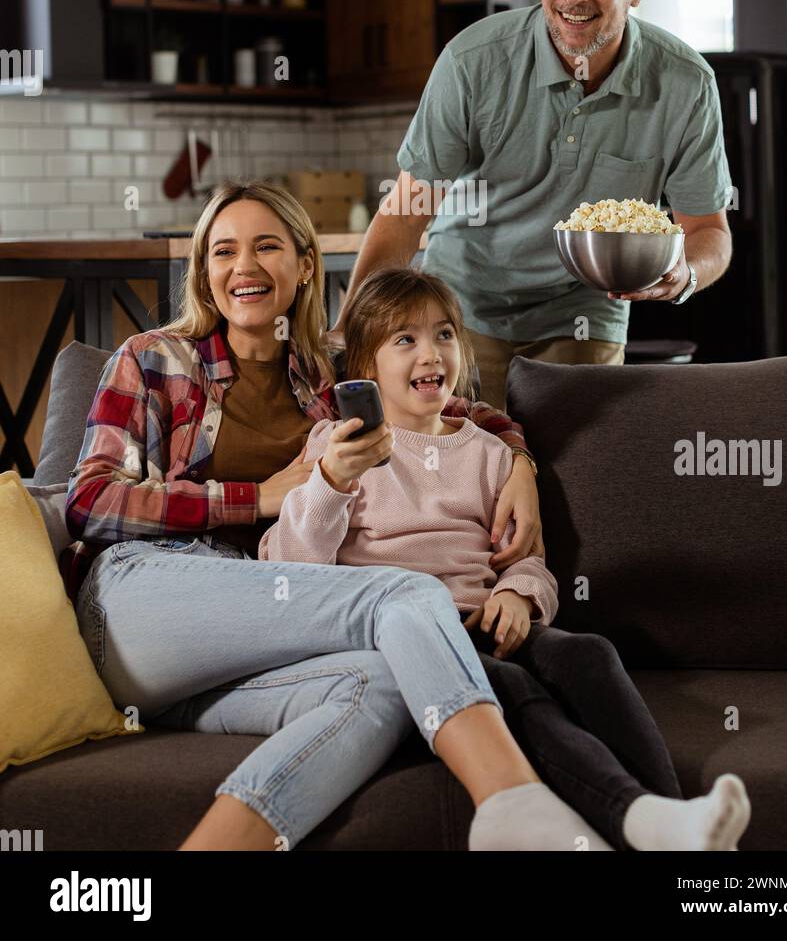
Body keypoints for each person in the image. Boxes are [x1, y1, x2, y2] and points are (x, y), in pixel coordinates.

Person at [64, 179, 597, 851]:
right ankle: (514, 806)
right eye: (222, 252)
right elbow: (90, 502)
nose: (244, 267)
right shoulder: (152, 359)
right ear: (204, 273)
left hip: (253, 633)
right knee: (404, 594)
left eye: (267, 247)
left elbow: (446, 403)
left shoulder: (328, 381)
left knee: (383, 687)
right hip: (145, 601)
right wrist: (256, 498)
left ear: (306, 264)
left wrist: (519, 460)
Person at [262, 264, 752, 852]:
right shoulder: (335, 450)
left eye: (444, 334)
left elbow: (525, 558)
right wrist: (330, 483)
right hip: (411, 642)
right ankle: (644, 821)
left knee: (588, 654)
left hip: (487, 621)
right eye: (405, 340)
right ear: (366, 368)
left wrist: (518, 594)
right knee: (514, 690)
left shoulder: (491, 453)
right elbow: (291, 565)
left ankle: (673, 818)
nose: (431, 353)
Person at [335, 0, 734, 410]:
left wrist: (684, 273)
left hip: (584, 312)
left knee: (573, 475)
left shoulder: (685, 83)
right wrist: (349, 333)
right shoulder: (473, 62)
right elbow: (410, 208)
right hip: (462, 307)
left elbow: (708, 231)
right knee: (462, 472)